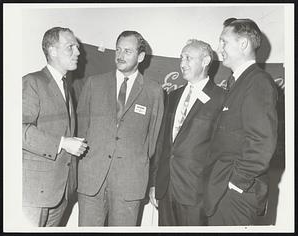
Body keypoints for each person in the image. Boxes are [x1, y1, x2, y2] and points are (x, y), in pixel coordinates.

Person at [76, 30, 164, 226]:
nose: (120, 56)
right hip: (92, 179)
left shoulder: (154, 91)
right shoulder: (93, 84)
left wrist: (135, 163)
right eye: (118, 50)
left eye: (127, 51)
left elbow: (153, 140)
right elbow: (81, 130)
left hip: (129, 182)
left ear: (141, 57)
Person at [205, 18, 278, 225]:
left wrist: (236, 184)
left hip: (236, 194)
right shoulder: (237, 82)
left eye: (224, 42)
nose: (219, 48)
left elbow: (262, 142)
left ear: (243, 44)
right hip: (222, 190)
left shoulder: (258, 82)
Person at [149, 39, 226, 226]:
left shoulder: (221, 98)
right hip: (166, 189)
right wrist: (155, 183)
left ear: (206, 61)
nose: (182, 64)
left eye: (188, 58)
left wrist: (212, 192)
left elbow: (222, 151)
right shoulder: (173, 96)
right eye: (181, 58)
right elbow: (162, 144)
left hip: (197, 194)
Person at [22, 27, 88, 226]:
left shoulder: (66, 86)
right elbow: (15, 129)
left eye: (77, 47)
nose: (78, 52)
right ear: (52, 51)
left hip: (61, 191)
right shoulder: (32, 82)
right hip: (35, 193)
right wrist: (62, 143)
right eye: (71, 47)